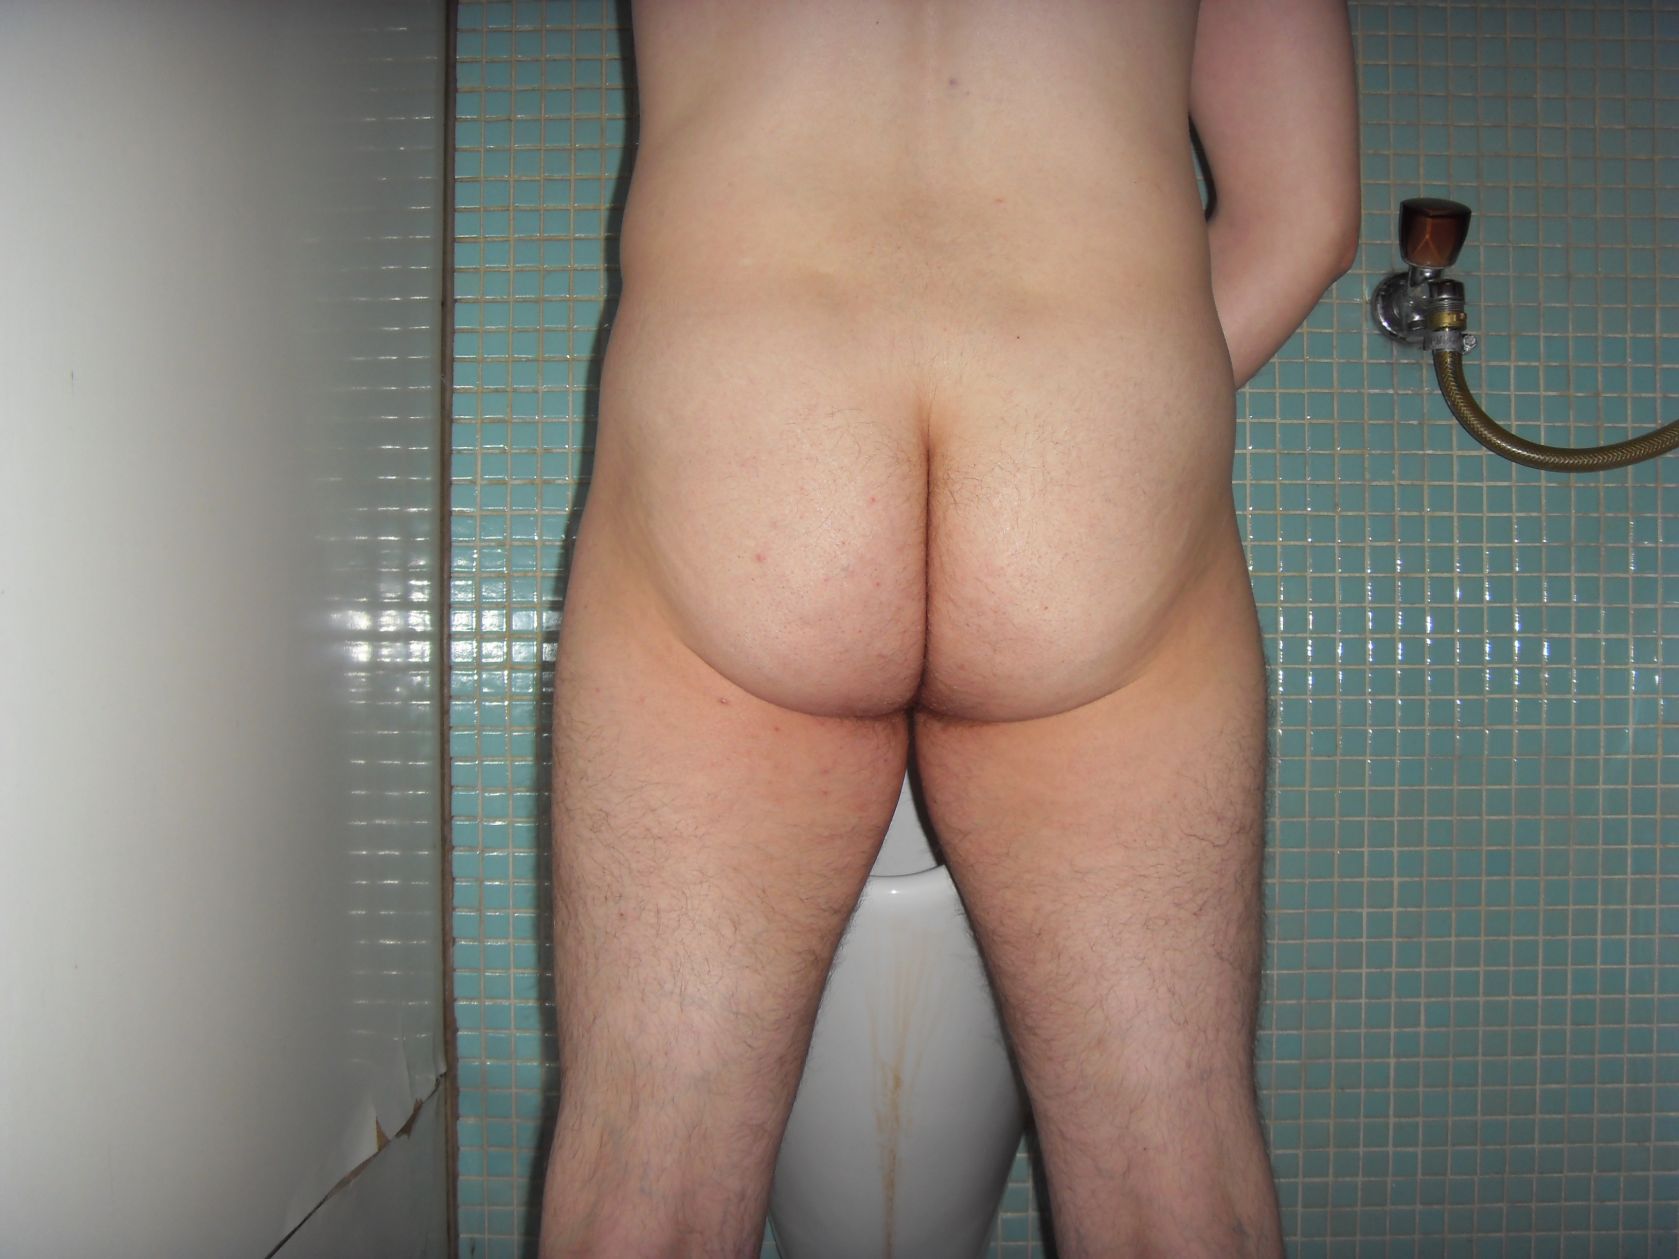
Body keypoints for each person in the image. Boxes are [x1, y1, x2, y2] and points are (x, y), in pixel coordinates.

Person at [538, 1, 1359, 1254]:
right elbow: (1302, 218)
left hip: (749, 428)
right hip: (1083, 439)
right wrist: (1109, 425)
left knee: (647, 1179)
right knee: (1170, 1182)